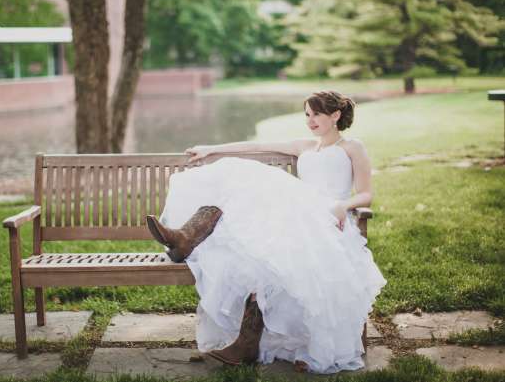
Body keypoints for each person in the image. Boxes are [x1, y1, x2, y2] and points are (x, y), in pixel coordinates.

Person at [145, 91, 387, 374]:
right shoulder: (305, 145)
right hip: (299, 214)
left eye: (316, 114)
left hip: (328, 217)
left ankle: (246, 342)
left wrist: (343, 205)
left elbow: (367, 194)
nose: (310, 121)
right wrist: (212, 149)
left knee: (268, 244)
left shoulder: (352, 147)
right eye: (307, 115)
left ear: (335, 116)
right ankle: (186, 238)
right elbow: (255, 145)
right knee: (242, 187)